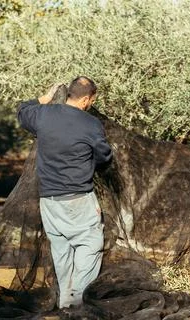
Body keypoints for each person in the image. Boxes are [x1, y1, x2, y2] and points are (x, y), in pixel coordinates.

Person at [17, 76, 112, 308]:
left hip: (49, 201)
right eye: (91, 101)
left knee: (61, 250)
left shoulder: (43, 115)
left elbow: (22, 111)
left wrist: (45, 98)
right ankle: (78, 304)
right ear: (87, 99)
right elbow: (104, 156)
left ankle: (65, 302)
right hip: (79, 199)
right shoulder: (90, 124)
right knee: (90, 245)